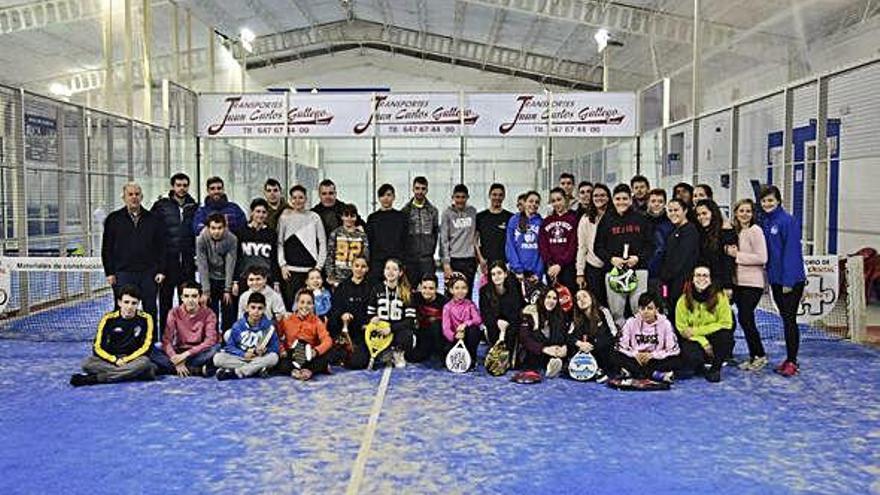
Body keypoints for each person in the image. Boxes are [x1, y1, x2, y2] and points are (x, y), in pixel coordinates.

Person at [101, 182, 165, 327]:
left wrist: (161, 270)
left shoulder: (154, 219)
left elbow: (161, 247)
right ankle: (121, 339)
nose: (134, 197)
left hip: (148, 273)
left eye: (137, 194)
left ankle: (151, 341)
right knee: (122, 309)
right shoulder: (113, 219)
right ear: (124, 197)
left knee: (150, 309)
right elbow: (106, 248)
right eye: (130, 194)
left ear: (141, 197)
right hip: (123, 273)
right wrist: (109, 272)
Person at [759, 184, 806, 377]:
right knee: (785, 319)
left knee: (789, 320)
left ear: (778, 201)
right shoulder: (765, 221)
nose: (767, 204)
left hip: (790, 281)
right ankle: (788, 359)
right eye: (764, 201)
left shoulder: (788, 221)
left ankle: (792, 361)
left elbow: (792, 253)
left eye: (770, 200)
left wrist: (788, 282)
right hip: (776, 279)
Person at [70, 285, 157, 386]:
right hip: (112, 359)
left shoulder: (146, 318)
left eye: (134, 303)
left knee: (144, 362)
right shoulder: (108, 319)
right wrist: (114, 360)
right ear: (119, 302)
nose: (129, 306)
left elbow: (146, 347)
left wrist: (126, 360)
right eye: (126, 302)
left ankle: (97, 378)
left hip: (133, 359)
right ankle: (137, 373)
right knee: (87, 364)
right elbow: (97, 347)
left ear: (138, 304)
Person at [594, 184, 654, 328]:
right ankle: (620, 340)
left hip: (638, 270)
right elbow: (598, 247)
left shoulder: (641, 219)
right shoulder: (606, 220)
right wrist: (611, 259)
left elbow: (650, 245)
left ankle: (641, 337)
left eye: (625, 198)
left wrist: (638, 258)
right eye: (618, 199)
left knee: (639, 308)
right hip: (615, 272)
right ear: (613, 200)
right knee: (616, 311)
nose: (621, 202)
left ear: (631, 199)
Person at [151, 173, 197, 333]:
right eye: (179, 185)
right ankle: (165, 335)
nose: (182, 188)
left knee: (188, 303)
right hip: (167, 264)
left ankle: (187, 335)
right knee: (165, 302)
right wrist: (158, 264)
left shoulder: (194, 206)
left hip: (187, 264)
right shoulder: (161, 206)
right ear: (173, 186)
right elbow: (153, 233)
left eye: (185, 185)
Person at [728, 199, 769, 371]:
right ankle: (753, 356)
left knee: (746, 318)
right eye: (741, 211)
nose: (744, 214)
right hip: (738, 283)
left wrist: (737, 255)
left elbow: (762, 258)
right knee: (744, 320)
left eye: (748, 211)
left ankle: (760, 355)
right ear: (736, 213)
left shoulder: (755, 231)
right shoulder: (737, 231)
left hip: (753, 284)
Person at [675, 266, 735, 383]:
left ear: (711, 279)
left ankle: (715, 369)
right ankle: (700, 365)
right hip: (695, 340)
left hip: (713, 336)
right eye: (698, 275)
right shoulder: (683, 300)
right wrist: (704, 343)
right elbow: (682, 329)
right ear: (692, 279)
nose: (701, 278)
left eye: (705, 275)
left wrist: (696, 331)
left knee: (726, 336)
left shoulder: (721, 297)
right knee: (691, 356)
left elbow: (726, 324)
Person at [610, 291, 681, 383]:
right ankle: (654, 374)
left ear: (657, 310)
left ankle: (635, 373)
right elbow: (621, 346)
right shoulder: (631, 322)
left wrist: (652, 355)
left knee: (677, 360)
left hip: (655, 359)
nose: (645, 312)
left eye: (650, 308)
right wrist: (635, 354)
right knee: (613, 354)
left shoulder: (665, 323)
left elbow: (673, 349)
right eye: (642, 308)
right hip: (635, 358)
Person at [152, 281, 220, 377]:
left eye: (194, 296)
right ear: (182, 298)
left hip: (198, 352)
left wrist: (185, 355)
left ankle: (170, 369)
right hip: (179, 351)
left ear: (199, 297)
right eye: (187, 296)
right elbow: (167, 340)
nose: (190, 300)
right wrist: (175, 358)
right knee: (153, 351)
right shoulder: (174, 312)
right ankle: (195, 370)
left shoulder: (209, 314)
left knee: (215, 349)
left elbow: (210, 341)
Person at [277, 185, 327, 309]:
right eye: (294, 198)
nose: (297, 200)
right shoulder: (284, 218)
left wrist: (318, 267)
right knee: (292, 308)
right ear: (290, 199)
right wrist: (282, 265)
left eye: (301, 197)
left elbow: (322, 243)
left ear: (306, 199)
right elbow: (279, 243)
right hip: (290, 272)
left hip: (310, 271)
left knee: (313, 308)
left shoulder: (314, 217)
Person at [214, 292, 280, 380]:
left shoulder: (269, 326)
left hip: (259, 358)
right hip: (241, 358)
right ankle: (255, 370)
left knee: (273, 358)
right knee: (218, 358)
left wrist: (265, 351)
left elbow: (275, 348)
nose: (256, 311)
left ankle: (236, 372)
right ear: (247, 308)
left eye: (260, 308)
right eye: (253, 307)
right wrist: (243, 354)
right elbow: (229, 347)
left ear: (264, 309)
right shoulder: (238, 325)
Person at [365, 258, 416, 369]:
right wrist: (372, 318)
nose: (390, 272)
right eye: (388, 268)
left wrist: (391, 328)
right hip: (380, 330)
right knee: (359, 360)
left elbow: (410, 320)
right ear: (384, 271)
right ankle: (385, 352)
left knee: (407, 335)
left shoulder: (406, 292)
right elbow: (369, 313)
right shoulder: (376, 289)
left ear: (400, 273)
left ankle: (398, 352)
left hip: (397, 330)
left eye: (394, 269)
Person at [658, 199, 700, 326]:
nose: (673, 213)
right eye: (670, 211)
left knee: (681, 318)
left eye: (676, 210)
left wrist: (667, 275)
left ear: (685, 211)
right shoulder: (675, 231)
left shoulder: (690, 231)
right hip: (672, 283)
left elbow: (681, 259)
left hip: (683, 283)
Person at [277, 290, 335, 380]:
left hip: (309, 355)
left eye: (309, 303)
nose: (305, 306)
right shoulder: (287, 319)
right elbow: (277, 337)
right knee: (280, 361)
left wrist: (316, 351)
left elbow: (327, 340)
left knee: (326, 355)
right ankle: (294, 371)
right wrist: (282, 350)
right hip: (291, 355)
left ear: (313, 305)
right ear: (296, 304)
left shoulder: (316, 321)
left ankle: (309, 371)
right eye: (302, 302)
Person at [195, 213, 238, 331]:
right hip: (210, 277)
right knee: (211, 312)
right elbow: (202, 265)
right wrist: (205, 291)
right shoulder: (201, 239)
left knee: (228, 310)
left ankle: (227, 337)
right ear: (208, 228)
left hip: (225, 277)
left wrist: (227, 289)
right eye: (213, 228)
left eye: (220, 228)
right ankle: (211, 337)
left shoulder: (232, 239)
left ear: (225, 227)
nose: (216, 231)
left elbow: (230, 264)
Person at [327, 256, 371, 368]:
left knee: (358, 363)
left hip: (361, 333)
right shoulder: (342, 286)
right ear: (352, 267)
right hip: (344, 331)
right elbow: (334, 308)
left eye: (363, 266)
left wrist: (367, 324)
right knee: (330, 359)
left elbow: (372, 310)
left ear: (367, 269)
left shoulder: (371, 288)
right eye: (356, 266)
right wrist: (342, 315)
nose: (359, 269)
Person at [233, 198, 279, 299]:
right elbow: (237, 258)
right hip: (245, 278)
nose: (261, 215)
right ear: (252, 212)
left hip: (266, 279)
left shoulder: (271, 233)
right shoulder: (241, 232)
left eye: (264, 212)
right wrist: (235, 281)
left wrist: (276, 282)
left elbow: (274, 259)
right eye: (258, 211)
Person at [567, 288, 617, 380]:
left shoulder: (603, 311)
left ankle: (602, 370)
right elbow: (569, 336)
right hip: (584, 351)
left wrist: (593, 345)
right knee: (571, 346)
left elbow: (613, 333)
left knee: (605, 344)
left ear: (591, 298)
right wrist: (580, 344)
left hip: (602, 348)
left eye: (584, 296)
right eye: (578, 299)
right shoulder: (576, 317)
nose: (581, 300)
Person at [518, 287, 568, 378]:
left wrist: (564, 347)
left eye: (554, 298)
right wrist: (544, 349)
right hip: (534, 351)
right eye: (548, 297)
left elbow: (563, 335)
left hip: (552, 350)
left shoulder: (560, 315)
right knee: (534, 343)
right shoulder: (530, 312)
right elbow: (524, 339)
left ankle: (553, 365)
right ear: (542, 298)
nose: (551, 301)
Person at [440, 184, 478, 298]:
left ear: (467, 197)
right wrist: (446, 264)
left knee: (467, 294)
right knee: (451, 294)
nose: (460, 200)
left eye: (463, 197)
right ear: (453, 197)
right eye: (457, 197)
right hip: (454, 260)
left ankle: (467, 315)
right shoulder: (447, 213)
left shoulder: (473, 212)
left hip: (469, 260)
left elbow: (477, 235)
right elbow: (444, 239)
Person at [539, 187, 579, 297]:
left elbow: (573, 245)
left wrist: (560, 264)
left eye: (559, 199)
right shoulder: (547, 221)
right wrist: (550, 263)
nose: (556, 203)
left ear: (565, 199)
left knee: (568, 299)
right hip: (551, 269)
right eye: (553, 201)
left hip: (568, 268)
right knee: (553, 299)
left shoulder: (573, 219)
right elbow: (543, 245)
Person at [366, 184, 409, 286]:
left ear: (394, 197)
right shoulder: (372, 218)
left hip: (396, 262)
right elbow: (369, 241)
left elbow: (405, 241)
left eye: (389, 195)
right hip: (377, 263)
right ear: (379, 198)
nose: (386, 198)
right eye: (382, 195)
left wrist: (403, 262)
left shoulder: (401, 217)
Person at [401, 176, 440, 288]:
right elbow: (403, 236)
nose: (420, 191)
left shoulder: (433, 211)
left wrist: (430, 250)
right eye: (417, 188)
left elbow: (435, 233)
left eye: (423, 188)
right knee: (410, 290)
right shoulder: (405, 211)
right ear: (412, 189)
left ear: (427, 190)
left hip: (427, 259)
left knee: (428, 289)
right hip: (410, 259)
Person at [575, 183, 610, 306]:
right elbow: (582, 247)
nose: (599, 198)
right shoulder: (585, 219)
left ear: (608, 197)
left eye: (602, 195)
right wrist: (580, 272)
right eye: (595, 195)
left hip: (612, 266)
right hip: (593, 267)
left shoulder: (614, 217)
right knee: (596, 304)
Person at [695, 199, 737, 295]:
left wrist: (727, 285)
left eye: (704, 213)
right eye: (698, 214)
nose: (701, 217)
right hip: (704, 282)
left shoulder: (726, 231)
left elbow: (728, 261)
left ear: (713, 213)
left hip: (720, 283)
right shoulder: (703, 232)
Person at [479, 261, 524, 350]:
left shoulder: (514, 287)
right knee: (493, 330)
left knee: (512, 330)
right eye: (493, 274)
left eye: (499, 273)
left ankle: (511, 358)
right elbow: (485, 313)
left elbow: (518, 308)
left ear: (506, 274)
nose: (496, 277)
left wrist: (506, 324)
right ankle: (496, 357)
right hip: (494, 323)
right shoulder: (484, 291)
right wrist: (497, 322)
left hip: (511, 321)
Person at [441, 274, 483, 368]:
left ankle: (471, 357)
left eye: (463, 288)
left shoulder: (470, 304)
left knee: (474, 330)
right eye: (457, 288)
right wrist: (455, 336)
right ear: (451, 290)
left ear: (467, 290)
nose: (460, 291)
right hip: (455, 338)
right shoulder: (447, 307)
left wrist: (465, 324)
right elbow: (446, 328)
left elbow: (478, 319)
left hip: (468, 336)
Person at [325, 204, 369, 286]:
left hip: (356, 277)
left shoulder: (362, 235)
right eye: (346, 215)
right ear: (342, 217)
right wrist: (331, 276)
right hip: (338, 277)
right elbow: (330, 256)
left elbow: (365, 256)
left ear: (356, 217)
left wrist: (362, 274)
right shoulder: (335, 233)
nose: (349, 218)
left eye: (352, 216)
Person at [475, 183, 514, 274]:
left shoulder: (510, 217)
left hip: (505, 263)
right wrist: (480, 259)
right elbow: (475, 241)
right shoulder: (480, 217)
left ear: (504, 196)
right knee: (485, 288)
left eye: (500, 195)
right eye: (494, 194)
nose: (497, 197)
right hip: (486, 263)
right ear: (489, 195)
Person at [505, 190, 544, 281]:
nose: (533, 204)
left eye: (537, 202)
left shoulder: (541, 222)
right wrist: (517, 269)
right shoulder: (514, 220)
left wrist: (538, 272)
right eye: (531, 201)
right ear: (525, 203)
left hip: (534, 274)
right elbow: (510, 245)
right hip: (517, 273)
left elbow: (543, 250)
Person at [408, 273, 447, 363]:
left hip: (437, 335)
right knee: (412, 358)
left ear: (436, 289)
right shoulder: (414, 297)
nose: (427, 291)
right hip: (421, 334)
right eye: (424, 288)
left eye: (431, 288)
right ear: (420, 287)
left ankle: (439, 350)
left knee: (436, 324)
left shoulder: (444, 302)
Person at [645, 188, 673, 290]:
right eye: (653, 201)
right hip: (644, 272)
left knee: (663, 300)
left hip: (664, 274)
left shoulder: (671, 222)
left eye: (660, 201)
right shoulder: (641, 221)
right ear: (647, 203)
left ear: (665, 203)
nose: (656, 204)